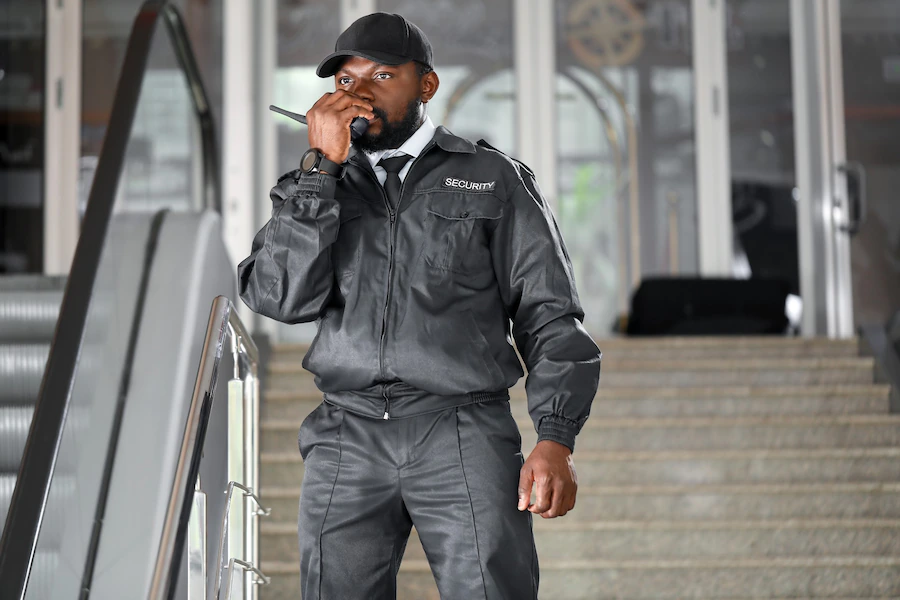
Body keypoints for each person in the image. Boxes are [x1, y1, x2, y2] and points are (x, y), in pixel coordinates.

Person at [238, 12, 601, 600]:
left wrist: (555, 437)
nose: (360, 93)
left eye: (382, 74)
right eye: (347, 81)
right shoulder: (313, 184)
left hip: (463, 429)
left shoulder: (493, 179)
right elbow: (278, 297)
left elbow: (551, 316)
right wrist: (320, 173)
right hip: (346, 433)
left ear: (426, 86)